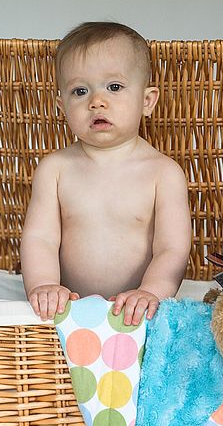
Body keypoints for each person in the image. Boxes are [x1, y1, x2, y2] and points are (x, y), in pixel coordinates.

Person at [21, 22, 191, 326]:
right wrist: (44, 285)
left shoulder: (163, 174)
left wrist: (150, 292)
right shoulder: (55, 170)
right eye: (80, 91)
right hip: (68, 311)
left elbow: (171, 249)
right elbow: (40, 238)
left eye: (114, 87)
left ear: (147, 101)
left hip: (140, 313)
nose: (96, 101)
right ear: (62, 106)